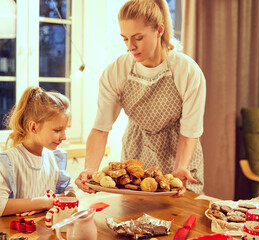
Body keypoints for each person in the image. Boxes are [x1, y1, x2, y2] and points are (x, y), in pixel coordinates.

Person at [75, 0, 206, 197]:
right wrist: (90, 169)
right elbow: (100, 129)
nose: (131, 46)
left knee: (182, 220)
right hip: (137, 153)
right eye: (125, 39)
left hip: (181, 155)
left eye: (138, 38)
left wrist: (181, 167)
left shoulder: (186, 70)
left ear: (159, 30)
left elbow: (190, 132)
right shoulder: (116, 71)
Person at [0, 86, 75, 217]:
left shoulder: (55, 158)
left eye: (64, 130)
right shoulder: (10, 161)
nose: (64, 137)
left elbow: (70, 194)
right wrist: (46, 202)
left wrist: (57, 199)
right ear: (33, 127)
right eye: (57, 130)